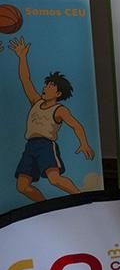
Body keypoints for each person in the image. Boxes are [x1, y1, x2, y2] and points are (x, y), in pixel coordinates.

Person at [8, 36, 95, 201]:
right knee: (22, 186)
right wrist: (22, 57)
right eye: (46, 84)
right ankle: (44, 207)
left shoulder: (59, 110)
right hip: (30, 146)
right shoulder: (35, 101)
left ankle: (82, 200)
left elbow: (76, 126)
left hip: (45, 145)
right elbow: (25, 80)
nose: (45, 87)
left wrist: (83, 143)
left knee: (54, 179)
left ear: (58, 94)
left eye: (50, 86)